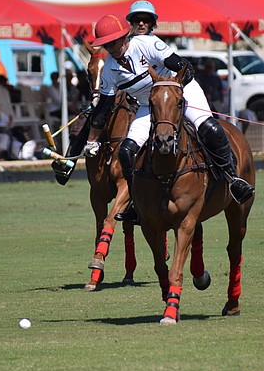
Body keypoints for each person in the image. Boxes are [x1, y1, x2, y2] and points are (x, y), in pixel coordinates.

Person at [83, 13, 254, 223]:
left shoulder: (147, 44)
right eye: (107, 45)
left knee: (211, 128)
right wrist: (91, 140)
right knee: (127, 151)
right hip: (150, 105)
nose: (112, 48)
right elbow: (103, 108)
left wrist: (171, 96)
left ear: (124, 36)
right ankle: (135, 202)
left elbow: (184, 67)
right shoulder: (109, 69)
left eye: (114, 42)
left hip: (181, 91)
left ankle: (233, 180)